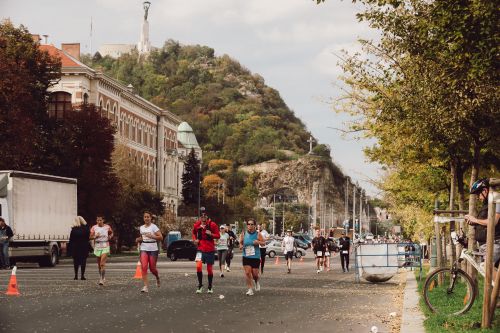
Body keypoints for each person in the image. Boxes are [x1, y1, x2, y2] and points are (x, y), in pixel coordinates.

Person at [465, 178, 500, 271]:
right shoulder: (487, 204)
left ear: (485, 191)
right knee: (488, 272)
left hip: (494, 243)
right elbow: (484, 222)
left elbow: (493, 221)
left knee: (487, 268)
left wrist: (475, 220)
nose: (477, 197)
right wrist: (474, 222)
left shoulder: (497, 200)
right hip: (485, 244)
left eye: (478, 194)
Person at [192, 211, 220, 294]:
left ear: (207, 217)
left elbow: (218, 235)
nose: (203, 218)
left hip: (210, 249)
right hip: (200, 248)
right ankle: (200, 285)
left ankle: (210, 287)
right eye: (202, 216)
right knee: (198, 266)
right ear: (200, 217)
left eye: (205, 216)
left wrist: (211, 234)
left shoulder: (212, 225)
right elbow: (193, 233)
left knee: (209, 269)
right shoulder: (197, 224)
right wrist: (195, 240)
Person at [135, 211, 163, 293]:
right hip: (144, 248)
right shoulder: (141, 228)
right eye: (145, 217)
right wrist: (138, 240)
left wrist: (152, 236)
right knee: (143, 267)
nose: (146, 218)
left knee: (152, 269)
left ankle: (157, 277)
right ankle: (145, 286)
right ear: (143, 218)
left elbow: (161, 237)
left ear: (151, 218)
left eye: (148, 217)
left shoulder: (154, 227)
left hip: (153, 249)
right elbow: (141, 238)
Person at [239, 219, 265, 295]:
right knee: (247, 273)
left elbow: (263, 243)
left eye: (252, 224)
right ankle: (250, 289)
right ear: (247, 226)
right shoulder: (243, 233)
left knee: (255, 274)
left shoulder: (258, 234)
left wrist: (258, 242)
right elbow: (240, 242)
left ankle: (256, 281)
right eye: (249, 224)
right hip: (246, 256)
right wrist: (240, 246)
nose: (250, 226)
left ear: (254, 226)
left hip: (255, 257)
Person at [90, 214, 113, 286]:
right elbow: (90, 237)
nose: (99, 221)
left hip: (105, 245)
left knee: (102, 264)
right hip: (97, 246)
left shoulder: (107, 227)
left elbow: (111, 233)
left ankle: (101, 279)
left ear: (103, 220)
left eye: (100, 220)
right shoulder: (94, 227)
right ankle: (102, 276)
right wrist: (95, 236)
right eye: (97, 220)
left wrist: (110, 237)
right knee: (99, 265)